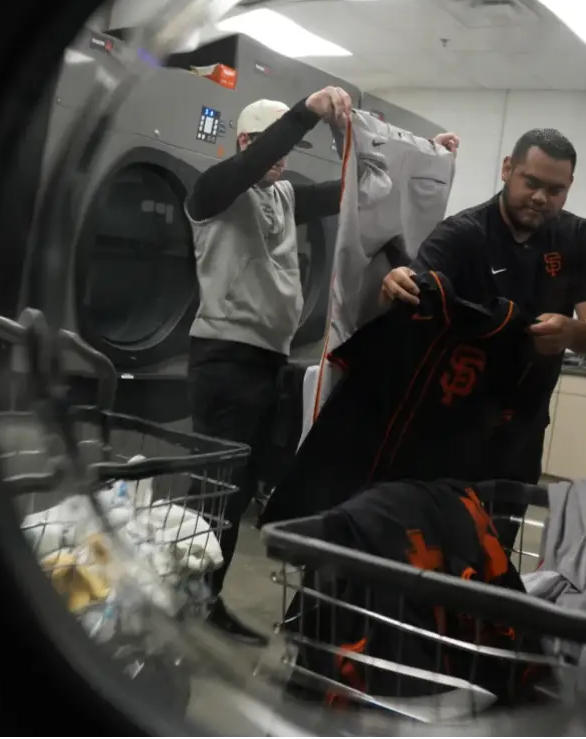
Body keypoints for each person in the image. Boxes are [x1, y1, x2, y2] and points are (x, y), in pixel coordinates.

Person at [185, 85, 457, 643]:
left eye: (285, 153)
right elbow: (249, 167)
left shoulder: (286, 197)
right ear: (245, 143)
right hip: (224, 358)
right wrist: (305, 115)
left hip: (270, 360)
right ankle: (187, 603)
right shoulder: (214, 193)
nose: (281, 161)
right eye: (271, 148)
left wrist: (422, 157)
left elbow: (361, 193)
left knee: (241, 491)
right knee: (216, 489)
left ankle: (205, 599)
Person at [379, 128, 586, 519]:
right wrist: (395, 285)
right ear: (508, 169)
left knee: (496, 543)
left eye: (554, 190)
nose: (540, 197)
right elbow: (408, 296)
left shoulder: (579, 239)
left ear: (569, 187)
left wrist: (571, 331)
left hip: (522, 431)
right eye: (531, 182)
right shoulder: (462, 234)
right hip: (447, 428)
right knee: (434, 539)